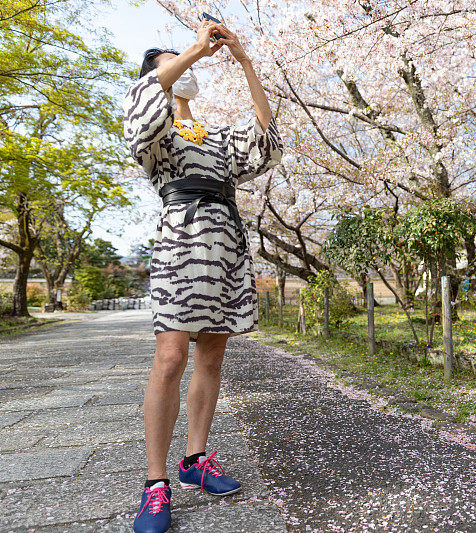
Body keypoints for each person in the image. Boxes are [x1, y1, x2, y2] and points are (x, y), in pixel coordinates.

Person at [122, 19, 283, 533]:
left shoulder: (215, 138)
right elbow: (144, 104)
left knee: (212, 353)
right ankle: (155, 483)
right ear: (161, 76)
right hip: (181, 243)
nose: (185, 65)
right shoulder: (158, 133)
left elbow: (266, 142)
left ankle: (195, 460)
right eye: (171, 63)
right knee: (170, 357)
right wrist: (191, 48)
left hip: (227, 246)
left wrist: (244, 61)